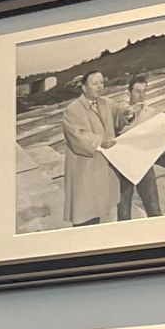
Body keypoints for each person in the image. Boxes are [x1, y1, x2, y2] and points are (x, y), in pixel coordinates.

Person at [59, 69, 121, 225]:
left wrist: (128, 113)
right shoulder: (73, 110)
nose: (100, 87)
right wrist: (100, 141)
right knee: (84, 214)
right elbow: (77, 134)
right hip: (83, 168)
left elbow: (119, 114)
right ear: (84, 87)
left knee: (98, 210)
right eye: (95, 83)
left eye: (102, 83)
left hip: (100, 167)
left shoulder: (105, 103)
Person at [116, 73, 165, 218]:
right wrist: (128, 115)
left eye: (144, 91)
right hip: (123, 166)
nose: (141, 96)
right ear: (129, 92)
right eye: (137, 91)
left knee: (154, 209)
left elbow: (162, 136)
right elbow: (112, 132)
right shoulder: (119, 111)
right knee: (123, 212)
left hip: (144, 165)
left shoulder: (152, 113)